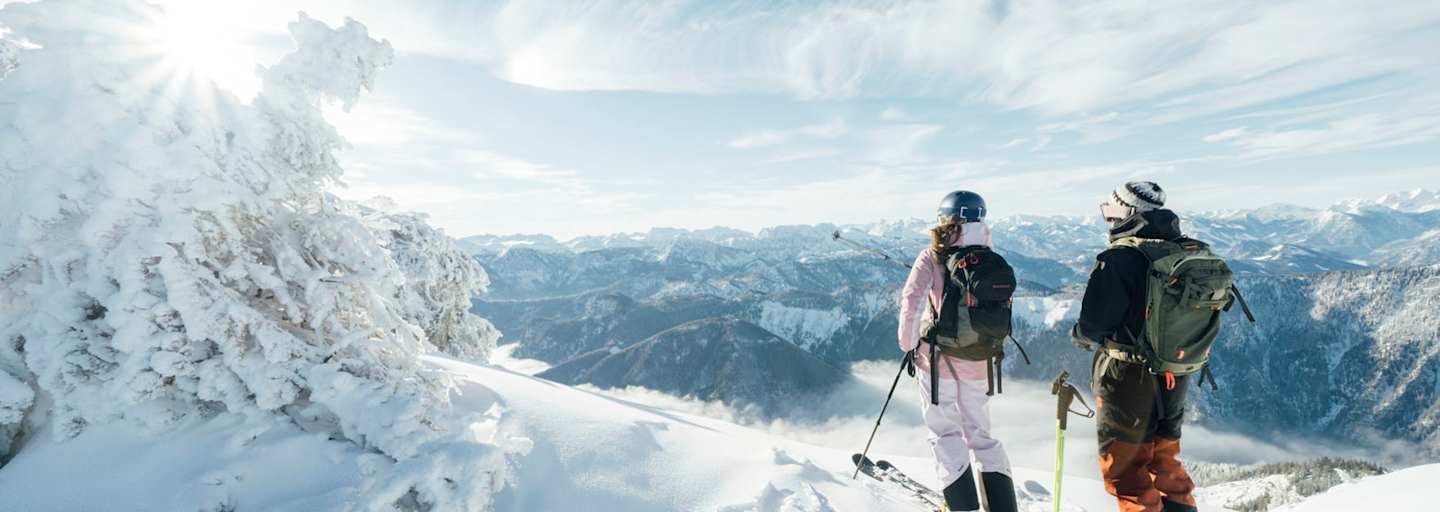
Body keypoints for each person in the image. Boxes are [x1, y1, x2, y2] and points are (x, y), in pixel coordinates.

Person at [1070, 181, 1199, 512]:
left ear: (1130, 213)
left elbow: (1094, 323)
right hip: (1176, 371)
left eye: (1111, 211)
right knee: (1165, 462)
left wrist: (1080, 334)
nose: (1109, 219)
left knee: (1125, 470)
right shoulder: (1184, 251)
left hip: (1128, 375)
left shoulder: (1120, 258)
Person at [898, 190, 1016, 512]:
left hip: (939, 361)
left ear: (945, 218)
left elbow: (911, 301)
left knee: (945, 432)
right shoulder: (991, 256)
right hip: (981, 359)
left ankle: (963, 506)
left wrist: (908, 344)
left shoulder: (932, 255)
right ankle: (1002, 506)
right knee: (981, 433)